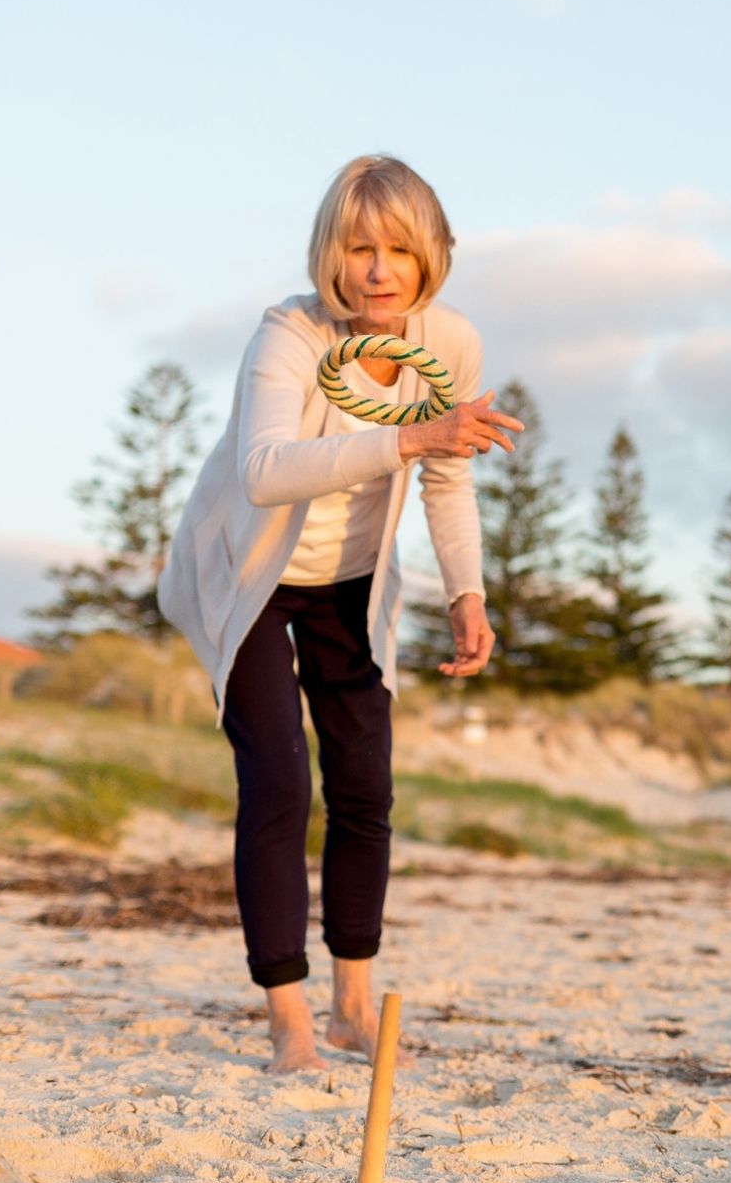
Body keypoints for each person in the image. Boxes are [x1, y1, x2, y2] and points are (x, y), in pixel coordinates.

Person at [158, 155, 525, 1074]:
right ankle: (288, 1018)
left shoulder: (451, 343)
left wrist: (468, 593)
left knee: (365, 788)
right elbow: (264, 470)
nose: (378, 270)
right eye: (359, 248)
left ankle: (354, 1005)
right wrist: (410, 435)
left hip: (352, 581)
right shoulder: (288, 335)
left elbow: (448, 476)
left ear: (432, 254)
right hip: (248, 574)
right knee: (281, 783)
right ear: (331, 253)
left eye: (399, 249)